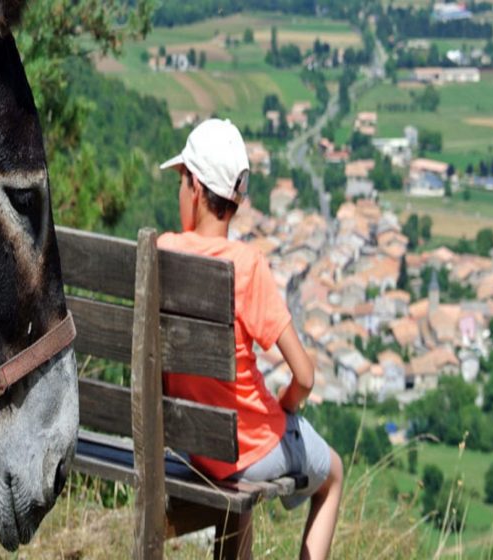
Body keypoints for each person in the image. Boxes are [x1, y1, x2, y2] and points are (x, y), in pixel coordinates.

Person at [158, 119, 343, 560]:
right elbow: (306, 375)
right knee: (333, 474)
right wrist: (288, 404)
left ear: (197, 189)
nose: (180, 192)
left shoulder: (162, 251)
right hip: (247, 449)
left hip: (193, 443)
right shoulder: (247, 266)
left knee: (236, 480)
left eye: (182, 181)